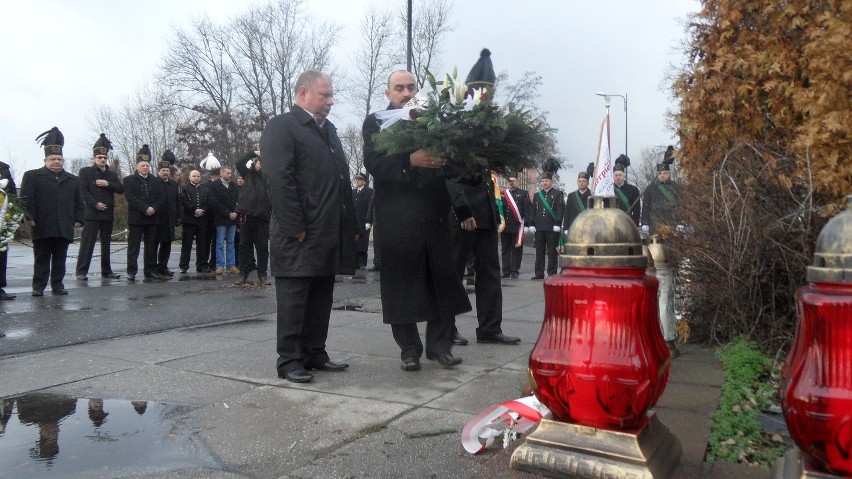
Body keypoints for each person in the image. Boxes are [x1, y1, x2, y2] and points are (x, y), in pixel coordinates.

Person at [363, 70, 471, 372]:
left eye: (411, 87)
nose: (407, 93)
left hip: (433, 215)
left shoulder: (433, 121)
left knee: (441, 282)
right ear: (388, 94)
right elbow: (372, 162)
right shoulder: (376, 122)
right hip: (397, 218)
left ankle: (441, 347)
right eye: (399, 88)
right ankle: (409, 350)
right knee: (401, 286)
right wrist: (409, 161)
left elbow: (452, 164)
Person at [261, 70, 360, 383]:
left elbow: (340, 181)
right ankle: (289, 360)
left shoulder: (327, 130)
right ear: (303, 93)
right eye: (325, 95)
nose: (330, 101)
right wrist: (294, 225)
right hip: (299, 233)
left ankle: (315, 353)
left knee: (320, 298)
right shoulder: (282, 126)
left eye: (331, 96)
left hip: (327, 231)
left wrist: (351, 224)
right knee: (294, 299)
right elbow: (278, 178)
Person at [448, 173, 521, 346]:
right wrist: (462, 209)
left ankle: (490, 328)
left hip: (485, 214)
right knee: (453, 273)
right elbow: (449, 177)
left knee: (490, 273)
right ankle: (446, 328)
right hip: (461, 214)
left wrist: (494, 213)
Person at [20, 127, 85, 296]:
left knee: (60, 259)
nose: (56, 162)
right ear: (45, 160)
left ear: (63, 161)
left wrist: (79, 219)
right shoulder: (32, 176)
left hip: (64, 225)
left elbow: (79, 201)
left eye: (59, 159)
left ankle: (58, 285)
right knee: (41, 258)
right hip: (42, 224)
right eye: (53, 159)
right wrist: (29, 217)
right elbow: (27, 199)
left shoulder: (73, 180)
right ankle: (38, 287)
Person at [75, 134, 124, 281]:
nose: (102, 160)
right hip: (92, 213)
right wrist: (95, 203)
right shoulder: (85, 172)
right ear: (94, 159)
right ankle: (81, 271)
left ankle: (106, 271)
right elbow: (83, 191)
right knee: (87, 243)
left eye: (104, 157)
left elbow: (120, 189)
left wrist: (107, 184)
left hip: (107, 214)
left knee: (106, 244)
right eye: (100, 157)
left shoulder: (111, 174)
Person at [124, 145, 167, 281]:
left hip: (152, 218)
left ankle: (149, 270)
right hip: (137, 218)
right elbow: (131, 198)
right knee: (134, 247)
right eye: (142, 165)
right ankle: (131, 271)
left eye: (147, 165)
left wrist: (153, 208)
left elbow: (161, 197)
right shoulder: (129, 180)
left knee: (151, 247)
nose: (145, 168)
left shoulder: (155, 180)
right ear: (137, 166)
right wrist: (145, 208)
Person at [234, 150, 271, 285]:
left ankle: (262, 275)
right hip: (247, 214)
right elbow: (239, 163)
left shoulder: (269, 176)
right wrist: (253, 153)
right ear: (254, 164)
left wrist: (265, 157)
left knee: (262, 247)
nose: (260, 164)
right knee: (244, 245)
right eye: (258, 162)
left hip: (263, 215)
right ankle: (243, 274)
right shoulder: (248, 174)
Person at [527, 171, 564, 279]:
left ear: (551, 182)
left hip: (552, 227)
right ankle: (539, 273)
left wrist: (558, 223)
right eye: (543, 181)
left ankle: (552, 273)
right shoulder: (538, 195)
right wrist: (531, 223)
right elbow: (533, 210)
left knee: (552, 251)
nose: (544, 183)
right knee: (539, 251)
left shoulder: (558, 194)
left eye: (546, 181)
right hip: (539, 227)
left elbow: (560, 210)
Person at [641, 146, 682, 235]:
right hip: (654, 224)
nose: (662, 175)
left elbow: (680, 205)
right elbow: (645, 207)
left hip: (672, 224)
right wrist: (644, 223)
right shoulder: (650, 188)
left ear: (669, 174)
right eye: (660, 173)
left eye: (665, 173)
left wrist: (681, 222)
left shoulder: (677, 187)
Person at [178, 169, 211, 273]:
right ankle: (184, 265)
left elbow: (208, 202)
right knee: (186, 244)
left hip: (202, 220)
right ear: (190, 177)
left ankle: (201, 265)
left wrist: (203, 210)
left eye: (198, 176)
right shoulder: (184, 188)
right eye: (194, 176)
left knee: (202, 244)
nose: (196, 178)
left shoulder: (205, 189)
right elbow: (185, 202)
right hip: (189, 220)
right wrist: (194, 210)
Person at [209, 166, 240, 274]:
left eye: (231, 173)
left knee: (231, 242)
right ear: (221, 173)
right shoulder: (214, 185)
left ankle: (231, 265)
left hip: (233, 218)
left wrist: (236, 212)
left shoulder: (234, 186)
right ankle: (220, 265)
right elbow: (214, 202)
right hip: (221, 218)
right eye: (227, 173)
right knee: (220, 243)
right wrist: (228, 213)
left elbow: (238, 200)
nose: (230, 175)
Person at [154, 152, 180, 277]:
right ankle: (153, 267)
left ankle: (163, 266)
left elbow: (177, 202)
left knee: (166, 245)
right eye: (163, 170)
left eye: (167, 170)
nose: (165, 172)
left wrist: (178, 217)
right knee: (154, 245)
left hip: (169, 219)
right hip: (156, 219)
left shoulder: (174, 185)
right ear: (159, 171)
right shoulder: (153, 182)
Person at [500, 175, 529, 279]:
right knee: (505, 250)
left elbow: (527, 210)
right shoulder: (503, 193)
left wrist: (527, 225)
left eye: (513, 181)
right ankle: (505, 271)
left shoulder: (523, 194)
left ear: (518, 181)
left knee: (516, 250)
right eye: (510, 181)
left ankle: (514, 270)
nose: (511, 182)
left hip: (517, 226)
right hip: (505, 227)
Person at [0, 160, 18, 300]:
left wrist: (12, 212)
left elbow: (11, 191)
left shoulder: (3, 168)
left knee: (1, 251)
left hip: (1, 218)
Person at [351, 172, 373, 269]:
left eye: (359, 180)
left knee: (363, 242)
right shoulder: (353, 192)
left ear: (364, 181)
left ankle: (362, 262)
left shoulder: (369, 192)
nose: (357, 181)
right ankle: (355, 261)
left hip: (364, 219)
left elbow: (370, 206)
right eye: (356, 180)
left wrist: (369, 220)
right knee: (355, 241)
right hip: (355, 220)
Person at [613, 154, 641, 226]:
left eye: (620, 175)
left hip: (628, 224)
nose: (618, 177)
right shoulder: (609, 191)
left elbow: (636, 210)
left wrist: (635, 225)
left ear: (624, 175)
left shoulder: (633, 190)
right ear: (613, 176)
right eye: (616, 175)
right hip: (612, 224)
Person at [563, 165, 593, 234]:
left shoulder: (592, 195)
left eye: (583, 181)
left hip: (588, 227)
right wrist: (566, 228)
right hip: (574, 226)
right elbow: (567, 212)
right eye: (579, 181)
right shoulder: (571, 195)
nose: (581, 183)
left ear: (588, 183)